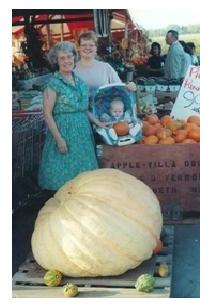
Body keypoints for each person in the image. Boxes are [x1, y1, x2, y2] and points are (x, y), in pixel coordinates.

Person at [38, 42, 98, 191]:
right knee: (63, 178)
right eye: (62, 58)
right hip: (63, 132)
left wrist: (97, 121)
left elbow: (83, 109)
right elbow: (47, 113)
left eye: (69, 56)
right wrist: (59, 139)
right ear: (56, 62)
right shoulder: (53, 83)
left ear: (74, 57)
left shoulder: (81, 82)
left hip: (83, 134)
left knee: (85, 179)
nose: (66, 61)